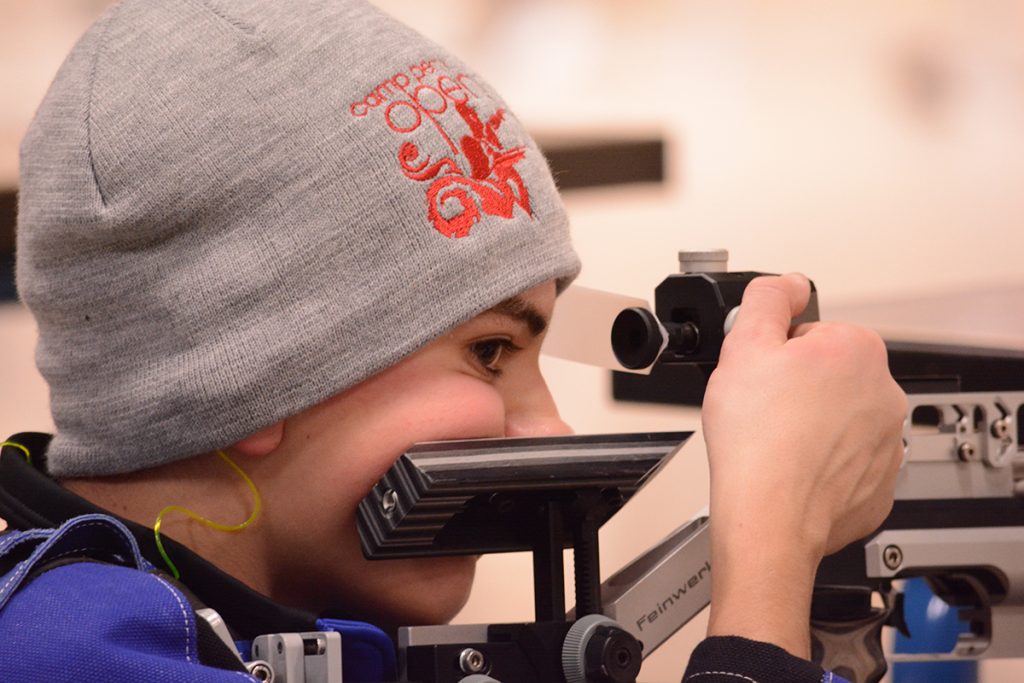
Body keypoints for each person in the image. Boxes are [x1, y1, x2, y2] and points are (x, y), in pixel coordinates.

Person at [0, 0, 907, 681]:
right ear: (247, 377)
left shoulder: (239, 630)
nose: (548, 431)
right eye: (491, 353)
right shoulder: (66, 651)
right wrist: (769, 563)